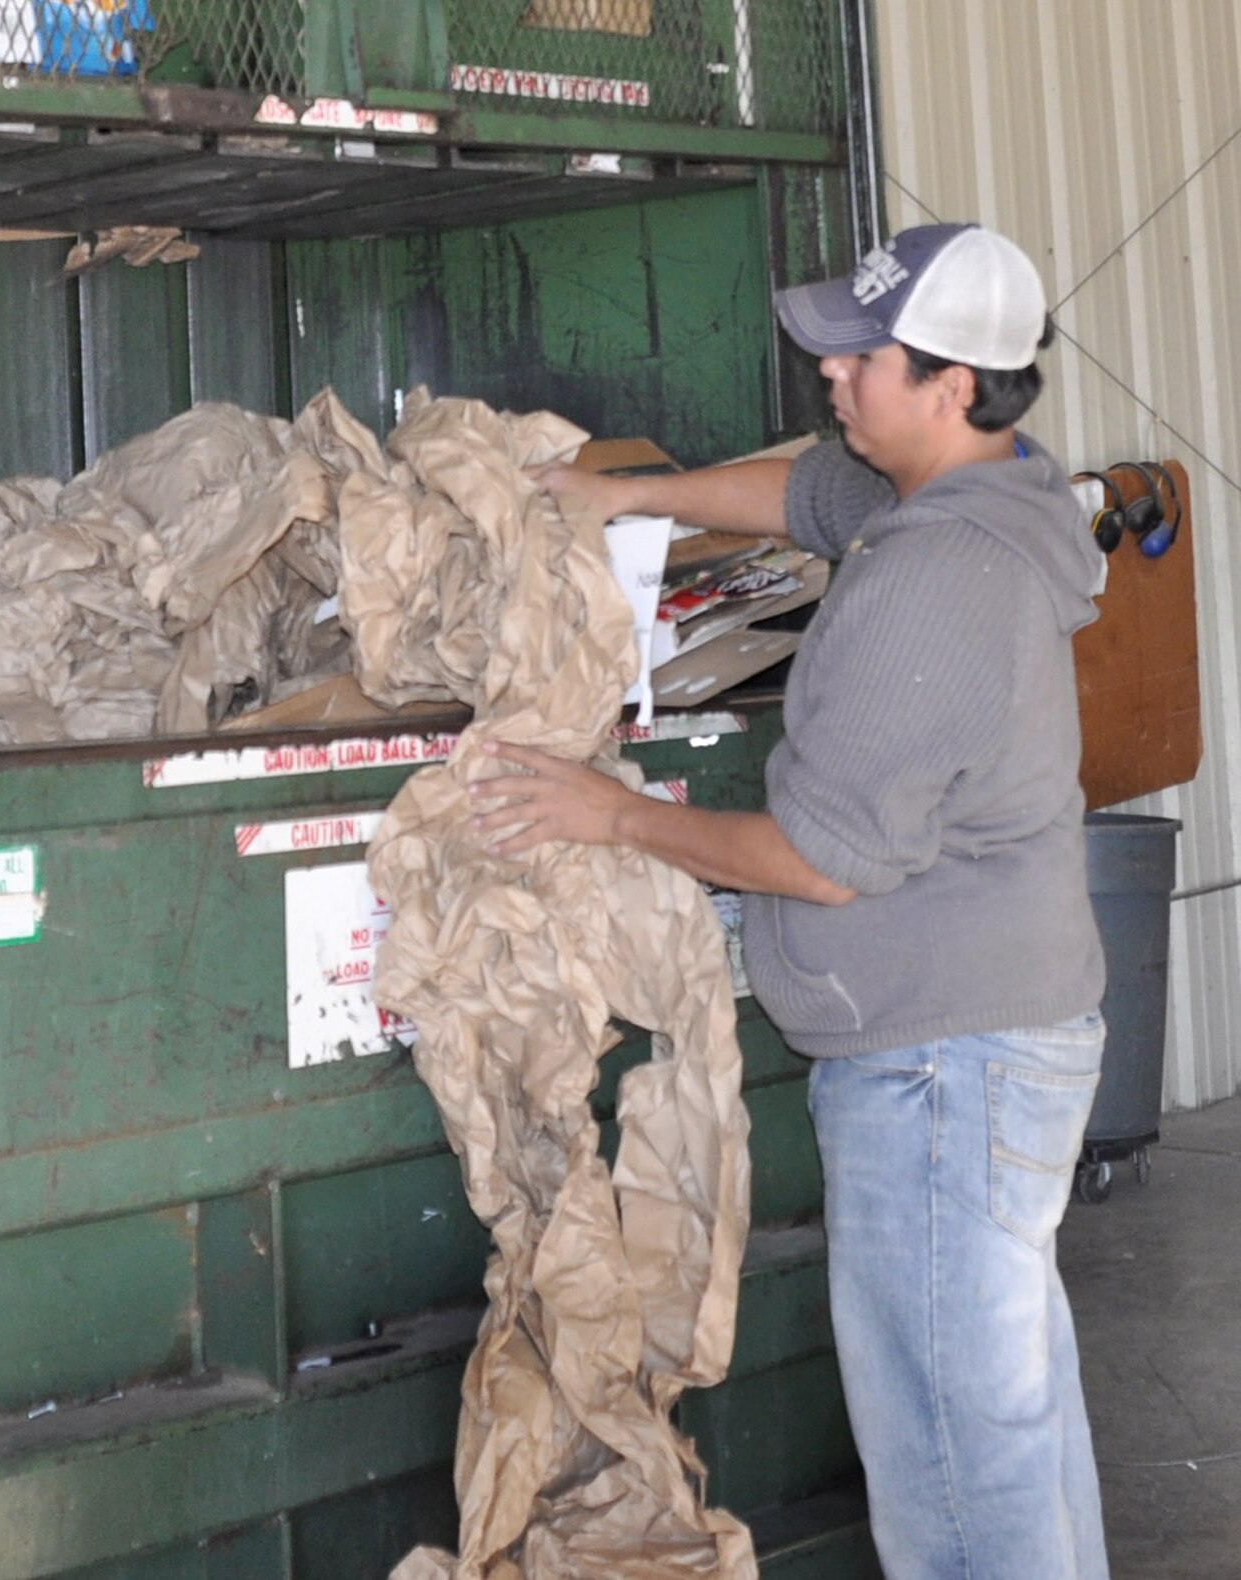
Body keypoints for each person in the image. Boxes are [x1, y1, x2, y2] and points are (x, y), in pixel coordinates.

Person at [473, 223, 1110, 1580]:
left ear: (950, 386)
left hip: (944, 1063)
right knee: (1011, 1421)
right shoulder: (974, 496)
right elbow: (806, 493)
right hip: (994, 1043)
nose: (828, 371)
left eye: (860, 356)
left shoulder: (937, 578)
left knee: (955, 1467)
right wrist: (629, 499)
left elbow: (825, 858)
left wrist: (613, 815)